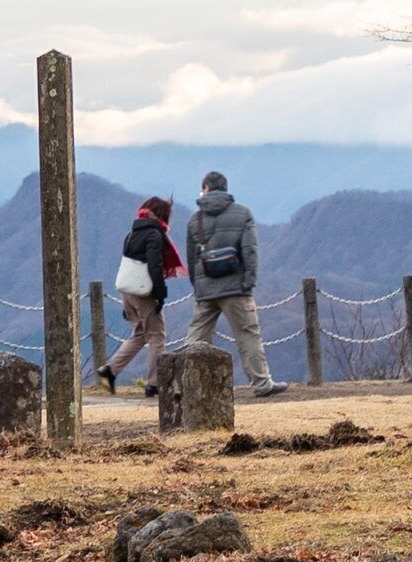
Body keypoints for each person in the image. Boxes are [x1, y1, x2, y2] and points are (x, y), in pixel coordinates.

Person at [183, 170, 289, 400]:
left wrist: (198, 286)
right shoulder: (243, 214)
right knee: (248, 334)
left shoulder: (195, 219)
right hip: (235, 287)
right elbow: (250, 250)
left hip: (206, 288)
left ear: (207, 189)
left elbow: (191, 259)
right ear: (225, 188)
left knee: (196, 338)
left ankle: (182, 385)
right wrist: (248, 282)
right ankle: (262, 383)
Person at [96, 195, 179, 393]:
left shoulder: (132, 233)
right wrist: (160, 294)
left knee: (140, 334)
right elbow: (154, 266)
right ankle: (155, 383)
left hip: (127, 291)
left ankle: (109, 372)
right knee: (157, 337)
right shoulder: (154, 235)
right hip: (144, 293)